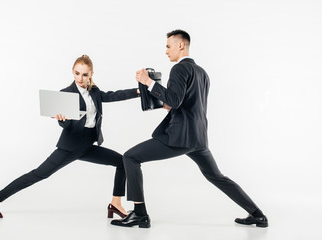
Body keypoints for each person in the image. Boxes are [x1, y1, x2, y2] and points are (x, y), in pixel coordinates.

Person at [111, 30, 268, 228]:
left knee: (130, 157)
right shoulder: (203, 73)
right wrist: (159, 100)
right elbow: (184, 103)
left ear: (181, 45)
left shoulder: (179, 69)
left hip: (179, 137)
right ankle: (258, 214)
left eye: (168, 46)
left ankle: (140, 214)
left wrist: (148, 82)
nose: (166, 51)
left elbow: (175, 101)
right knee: (217, 177)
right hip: (199, 138)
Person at [0, 54, 139, 219]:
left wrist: (139, 92)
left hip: (87, 146)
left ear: (91, 74)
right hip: (70, 146)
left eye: (84, 74)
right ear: (73, 72)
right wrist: (62, 120)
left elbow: (113, 95)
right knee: (38, 174)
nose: (80, 78)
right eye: (77, 73)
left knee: (122, 162)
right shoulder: (66, 94)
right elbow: (66, 126)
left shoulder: (94, 91)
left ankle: (115, 203)